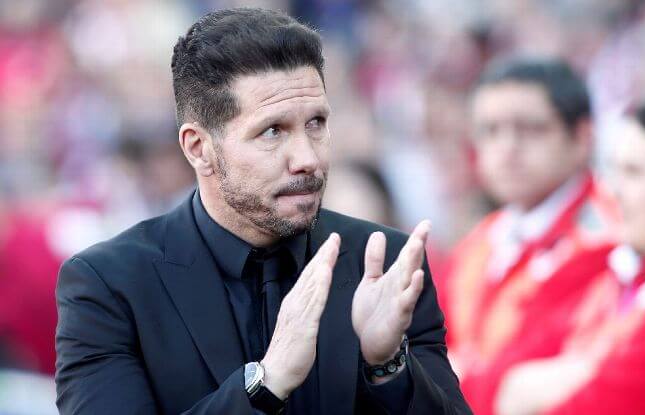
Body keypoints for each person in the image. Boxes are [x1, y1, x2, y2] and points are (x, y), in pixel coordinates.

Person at [54, 7, 470, 415]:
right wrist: (265, 383)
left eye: (316, 123)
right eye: (272, 131)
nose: (307, 158)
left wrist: (388, 366)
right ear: (198, 148)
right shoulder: (110, 286)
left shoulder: (384, 264)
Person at [496, 94, 645, 415]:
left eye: (634, 173)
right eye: (613, 171)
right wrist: (521, 387)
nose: (613, 191)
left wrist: (525, 392)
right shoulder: (626, 277)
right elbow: (500, 378)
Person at [442, 58, 618, 412]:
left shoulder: (613, 237)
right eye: (490, 130)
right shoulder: (480, 241)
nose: (507, 147)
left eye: (531, 129)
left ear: (582, 137)